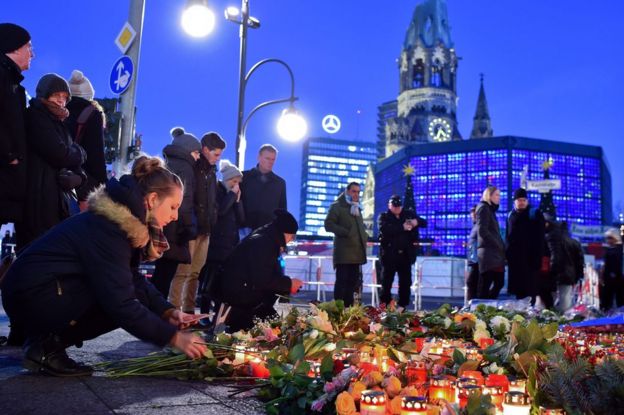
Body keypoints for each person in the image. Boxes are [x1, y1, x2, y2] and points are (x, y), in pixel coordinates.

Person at [0, 156, 207, 377]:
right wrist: (173, 338)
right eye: (173, 207)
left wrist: (167, 312)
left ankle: (45, 344)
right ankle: (45, 347)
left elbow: (133, 279)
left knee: (121, 292)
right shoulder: (111, 228)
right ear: (153, 198)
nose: (175, 216)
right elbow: (121, 302)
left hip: (37, 291)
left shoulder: (124, 220)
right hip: (31, 295)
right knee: (116, 301)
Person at [18, 73, 86, 250]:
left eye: (65, 97)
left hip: (58, 201)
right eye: (57, 96)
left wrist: (79, 178)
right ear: (45, 95)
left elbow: (75, 163)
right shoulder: (36, 116)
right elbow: (60, 154)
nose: (61, 101)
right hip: (38, 201)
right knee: (36, 252)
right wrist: (79, 153)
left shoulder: (60, 123)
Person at [217, 209, 303, 331]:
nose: (291, 240)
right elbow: (262, 279)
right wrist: (289, 284)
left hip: (240, 288)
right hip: (240, 294)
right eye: (292, 236)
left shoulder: (266, 237)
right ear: (285, 233)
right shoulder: (265, 243)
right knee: (276, 329)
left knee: (277, 325)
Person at [150, 128, 201, 306]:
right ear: (187, 150)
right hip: (176, 229)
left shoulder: (168, 163)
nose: (198, 156)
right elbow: (184, 201)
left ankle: (154, 311)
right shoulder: (185, 168)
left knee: (160, 273)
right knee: (165, 275)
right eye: (196, 152)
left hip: (164, 226)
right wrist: (189, 228)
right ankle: (158, 313)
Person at [199, 160, 245, 315]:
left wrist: (238, 202)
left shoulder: (234, 195)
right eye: (234, 181)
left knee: (222, 285)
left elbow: (241, 219)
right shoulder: (218, 191)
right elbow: (221, 211)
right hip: (216, 246)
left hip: (230, 247)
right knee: (208, 284)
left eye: (238, 182)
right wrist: (232, 195)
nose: (236, 185)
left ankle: (217, 318)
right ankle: (205, 315)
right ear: (227, 180)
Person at [0, 23, 33, 227]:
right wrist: (9, 155)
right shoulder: (3, 78)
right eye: (28, 47)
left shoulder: (11, 82)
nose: (32, 54)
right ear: (13, 48)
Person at [189, 131, 225, 311]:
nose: (218, 158)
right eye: (216, 154)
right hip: (194, 228)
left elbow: (213, 201)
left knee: (195, 273)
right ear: (205, 150)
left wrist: (213, 216)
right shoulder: (194, 169)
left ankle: (187, 312)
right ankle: (174, 313)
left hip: (206, 228)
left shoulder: (211, 172)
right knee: (184, 273)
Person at [65, 70, 107, 211]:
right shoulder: (92, 114)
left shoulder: (59, 112)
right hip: (83, 185)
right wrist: (102, 186)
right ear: (89, 95)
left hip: (60, 180)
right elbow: (96, 156)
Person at [377, 194, 426, 309]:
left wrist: (416, 222)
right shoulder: (383, 217)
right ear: (389, 206)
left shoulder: (408, 214)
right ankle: (385, 305)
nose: (397, 208)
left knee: (405, 283)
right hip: (389, 255)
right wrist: (402, 227)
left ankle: (402, 306)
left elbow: (424, 223)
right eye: (394, 206)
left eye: (399, 206)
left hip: (405, 255)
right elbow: (385, 229)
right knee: (386, 282)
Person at [324, 182, 368, 307]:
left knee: (352, 284)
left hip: (356, 253)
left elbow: (359, 229)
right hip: (343, 253)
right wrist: (346, 232)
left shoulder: (357, 207)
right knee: (342, 283)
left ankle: (347, 310)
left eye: (358, 192)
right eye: (354, 191)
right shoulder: (337, 207)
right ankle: (338, 310)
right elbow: (328, 225)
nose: (356, 194)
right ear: (347, 191)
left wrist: (364, 236)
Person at [505, 188, 545, 302]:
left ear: (527, 201)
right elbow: (508, 237)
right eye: (519, 200)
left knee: (530, 291)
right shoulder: (510, 215)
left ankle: (529, 314)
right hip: (515, 261)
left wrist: (538, 258)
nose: (521, 202)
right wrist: (507, 255)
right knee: (518, 292)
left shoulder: (535, 213)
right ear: (514, 202)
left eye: (524, 200)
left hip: (531, 261)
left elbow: (540, 238)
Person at [240, 144, 286, 236]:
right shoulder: (244, 177)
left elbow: (282, 210)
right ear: (259, 157)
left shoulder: (280, 183)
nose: (270, 162)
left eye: (273, 159)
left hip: (269, 231)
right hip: (245, 228)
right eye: (267, 158)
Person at [544, 218, 584, 312]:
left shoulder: (552, 237)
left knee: (556, 298)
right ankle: (566, 320)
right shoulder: (574, 241)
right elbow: (580, 261)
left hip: (558, 272)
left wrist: (551, 272)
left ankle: (560, 321)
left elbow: (555, 257)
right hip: (570, 274)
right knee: (565, 297)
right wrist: (578, 276)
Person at [475, 185, 505, 299]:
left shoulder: (490, 210)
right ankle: (482, 309)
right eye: (497, 195)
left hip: (494, 254)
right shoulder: (484, 208)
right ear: (489, 195)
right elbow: (482, 230)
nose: (499, 198)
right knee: (486, 284)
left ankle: (488, 306)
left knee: (498, 282)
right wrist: (497, 244)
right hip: (489, 253)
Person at [600, 228, 624, 311]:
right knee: (607, 297)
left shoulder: (619, 249)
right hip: (609, 278)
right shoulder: (609, 249)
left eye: (610, 238)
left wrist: (613, 274)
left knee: (619, 297)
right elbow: (605, 264)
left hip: (618, 277)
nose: (608, 240)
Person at [466, 206, 479, 302]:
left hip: (478, 261)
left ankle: (471, 307)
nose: (473, 215)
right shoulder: (475, 226)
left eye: (475, 212)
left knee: (471, 283)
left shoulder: (480, 226)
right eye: (472, 213)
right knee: (471, 284)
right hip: (474, 260)